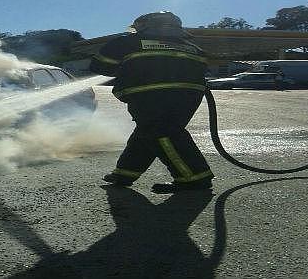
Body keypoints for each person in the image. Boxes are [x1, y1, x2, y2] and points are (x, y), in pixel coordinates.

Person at [89, 11, 214, 193]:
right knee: (150, 131)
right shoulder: (193, 47)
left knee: (161, 132)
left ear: (144, 25)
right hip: (189, 96)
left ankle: (196, 178)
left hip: (148, 94)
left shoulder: (126, 42)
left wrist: (128, 67)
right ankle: (125, 173)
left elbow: (100, 66)